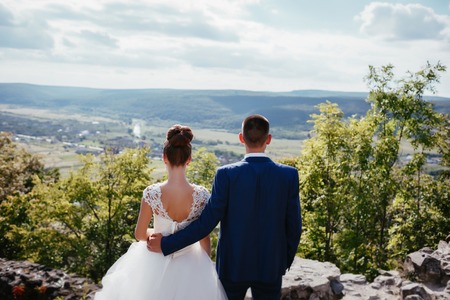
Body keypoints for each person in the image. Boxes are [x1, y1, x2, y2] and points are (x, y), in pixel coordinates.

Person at [148, 114, 302, 300]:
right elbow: (294, 226)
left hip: (232, 266)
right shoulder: (288, 175)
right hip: (270, 266)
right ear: (268, 139)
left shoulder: (226, 174)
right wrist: (283, 261)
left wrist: (167, 244)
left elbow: (206, 223)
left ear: (240, 138)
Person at [94, 125, 227, 300]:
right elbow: (204, 234)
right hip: (192, 262)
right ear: (189, 159)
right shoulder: (202, 195)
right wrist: (205, 263)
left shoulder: (152, 193)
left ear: (164, 158)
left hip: (154, 260)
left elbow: (140, 234)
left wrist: (158, 235)